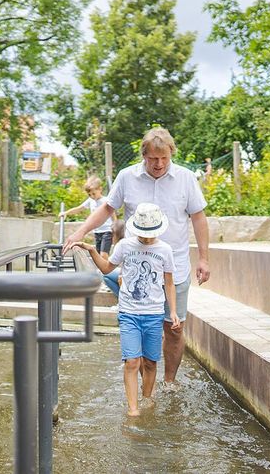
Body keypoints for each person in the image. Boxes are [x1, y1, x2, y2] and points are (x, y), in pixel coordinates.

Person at [63, 127, 210, 384]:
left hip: (174, 266)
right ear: (144, 155)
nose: (159, 164)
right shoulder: (127, 177)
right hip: (136, 269)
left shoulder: (186, 178)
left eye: (164, 158)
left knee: (173, 329)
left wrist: (204, 258)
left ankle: (169, 382)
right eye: (153, 159)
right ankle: (146, 387)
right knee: (142, 330)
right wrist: (80, 232)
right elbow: (107, 208)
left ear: (171, 154)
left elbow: (198, 217)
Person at [71, 203, 180, 416]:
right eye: (143, 234)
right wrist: (93, 250)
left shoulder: (165, 250)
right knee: (132, 361)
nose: (147, 239)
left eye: (151, 235)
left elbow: (169, 282)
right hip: (129, 312)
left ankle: (147, 398)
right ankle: (133, 409)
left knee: (150, 362)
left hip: (154, 313)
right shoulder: (125, 246)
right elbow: (105, 269)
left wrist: (173, 312)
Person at [59, 176, 113, 258]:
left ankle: (105, 269)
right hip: (97, 232)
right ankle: (101, 269)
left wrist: (115, 226)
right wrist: (66, 212)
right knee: (98, 254)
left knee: (103, 254)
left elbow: (112, 214)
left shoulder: (105, 200)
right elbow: (79, 208)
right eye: (89, 194)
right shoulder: (90, 201)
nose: (92, 196)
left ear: (100, 189)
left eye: (93, 193)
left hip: (107, 230)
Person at [103, 219, 126, 296]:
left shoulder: (121, 244)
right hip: (128, 272)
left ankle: (122, 300)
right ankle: (122, 300)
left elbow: (107, 267)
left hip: (126, 274)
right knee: (106, 277)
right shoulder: (129, 241)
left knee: (104, 275)